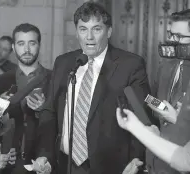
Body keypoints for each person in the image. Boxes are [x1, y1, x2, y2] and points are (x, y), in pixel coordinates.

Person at [35, 2, 152, 174]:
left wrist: (137, 159)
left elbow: (143, 117)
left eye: (96, 29)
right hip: (66, 165)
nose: (89, 37)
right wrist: (45, 154)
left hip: (112, 167)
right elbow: (49, 111)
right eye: (83, 29)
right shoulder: (64, 63)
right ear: (77, 32)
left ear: (109, 32)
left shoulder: (130, 65)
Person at [3, 23, 52, 174]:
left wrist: (44, 109)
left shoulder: (54, 79)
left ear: (39, 45)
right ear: (13, 47)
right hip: (6, 163)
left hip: (42, 161)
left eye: (32, 43)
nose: (27, 49)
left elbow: (62, 122)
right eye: (21, 43)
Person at [147, 9, 190, 174]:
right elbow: (151, 100)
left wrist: (177, 119)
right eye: (170, 34)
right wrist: (165, 111)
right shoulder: (165, 65)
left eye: (178, 36)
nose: (171, 40)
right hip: (157, 162)